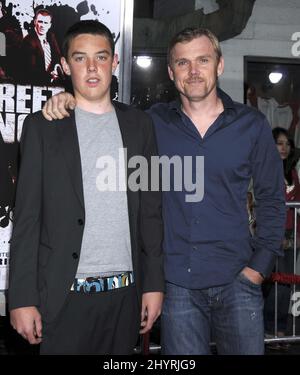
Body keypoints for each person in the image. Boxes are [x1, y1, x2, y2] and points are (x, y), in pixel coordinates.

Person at [42, 27, 286, 355]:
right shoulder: (150, 123)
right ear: (171, 73)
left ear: (220, 65)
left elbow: (272, 198)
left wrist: (259, 268)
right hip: (177, 286)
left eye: (203, 60)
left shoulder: (251, 124)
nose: (194, 71)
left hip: (238, 281)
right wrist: (70, 99)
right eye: (183, 63)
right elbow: (103, 117)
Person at [8, 20, 164, 355]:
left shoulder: (140, 126)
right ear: (64, 65)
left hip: (126, 297)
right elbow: (27, 220)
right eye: (80, 58)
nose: (92, 68)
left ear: (115, 61)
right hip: (63, 299)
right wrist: (20, 298)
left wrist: (154, 284)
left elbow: (150, 212)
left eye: (101, 57)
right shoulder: (41, 128)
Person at [264, 128, 300, 350]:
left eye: (287, 143)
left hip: (291, 234)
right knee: (272, 285)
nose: (284, 147)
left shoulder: (293, 172)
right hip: (271, 234)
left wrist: (297, 237)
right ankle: (269, 330)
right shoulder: (265, 170)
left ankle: (280, 331)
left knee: (286, 285)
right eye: (279, 143)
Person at [20, 8, 63, 85]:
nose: (42, 25)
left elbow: (57, 56)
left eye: (46, 23)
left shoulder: (51, 37)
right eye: (40, 22)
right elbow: (31, 70)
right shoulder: (28, 42)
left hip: (53, 81)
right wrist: (51, 76)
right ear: (35, 22)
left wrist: (56, 67)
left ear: (49, 25)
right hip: (36, 84)